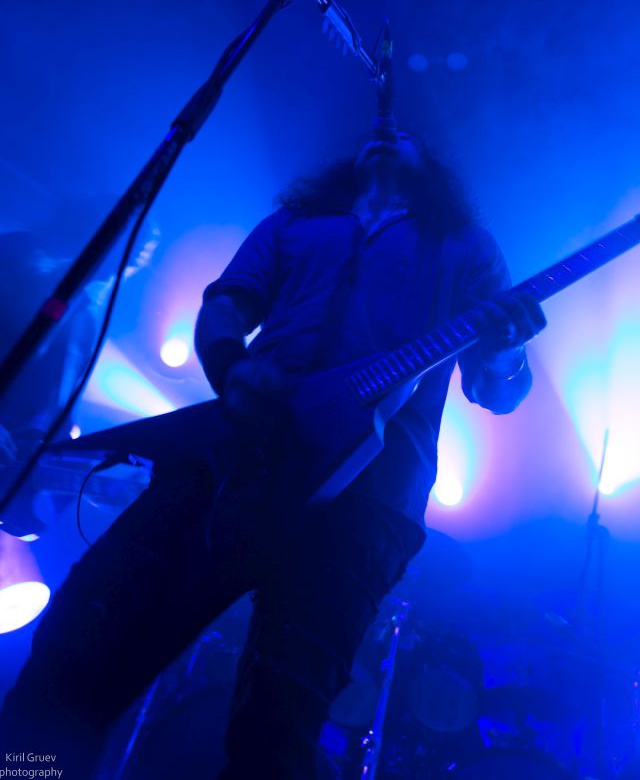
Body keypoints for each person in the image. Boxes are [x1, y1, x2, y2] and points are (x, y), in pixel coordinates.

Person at [0, 129, 546, 779]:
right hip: (233, 456)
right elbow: (226, 305)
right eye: (378, 130)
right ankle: (27, 770)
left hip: (369, 494)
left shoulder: (466, 246)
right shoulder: (294, 223)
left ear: (431, 164)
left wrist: (508, 350)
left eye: (405, 134)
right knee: (75, 649)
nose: (387, 135)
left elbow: (495, 388)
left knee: (278, 728)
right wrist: (231, 367)